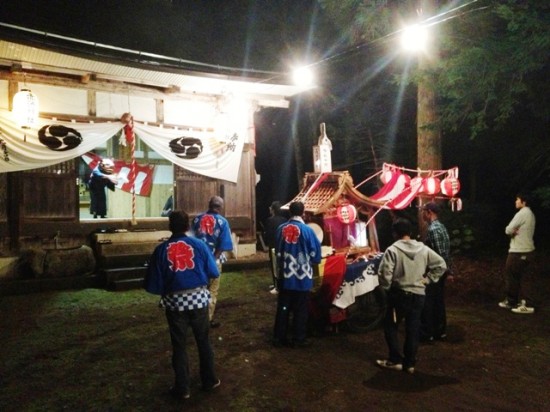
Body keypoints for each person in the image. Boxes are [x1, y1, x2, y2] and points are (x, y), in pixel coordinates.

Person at [144, 210, 221, 400]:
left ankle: (183, 387)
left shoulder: (161, 250)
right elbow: (213, 272)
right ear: (188, 226)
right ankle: (209, 380)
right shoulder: (200, 246)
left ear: (170, 226)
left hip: (175, 303)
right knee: (203, 341)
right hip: (199, 300)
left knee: (179, 345)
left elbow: (152, 284)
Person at [376, 218, 447, 374]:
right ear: (410, 232)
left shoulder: (392, 250)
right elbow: (441, 264)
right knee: (413, 328)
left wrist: (386, 288)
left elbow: (385, 274)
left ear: (395, 233)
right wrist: (427, 280)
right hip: (419, 295)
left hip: (399, 295)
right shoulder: (423, 249)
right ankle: (410, 364)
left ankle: (395, 359)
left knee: (390, 325)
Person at [272, 201, 322, 348]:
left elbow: (277, 250)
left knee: (283, 307)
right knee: (301, 309)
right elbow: (316, 256)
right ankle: (298, 338)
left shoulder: (280, 229)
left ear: (289, 212)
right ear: (303, 212)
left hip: (285, 276)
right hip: (302, 277)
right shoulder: (308, 231)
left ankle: (279, 338)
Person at [192, 196, 233, 328]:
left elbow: (190, 240)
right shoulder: (222, 222)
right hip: (214, 259)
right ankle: (207, 319)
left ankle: (195, 317)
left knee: (197, 288)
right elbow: (223, 245)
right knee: (212, 290)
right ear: (220, 207)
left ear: (209, 205)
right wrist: (213, 260)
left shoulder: (197, 219)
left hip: (197, 260)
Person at [498, 193, 536, 314]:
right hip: (527, 249)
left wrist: (513, 231)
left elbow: (508, 229)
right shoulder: (530, 213)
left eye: (517, 199)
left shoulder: (523, 213)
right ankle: (515, 301)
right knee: (521, 276)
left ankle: (521, 302)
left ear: (523, 202)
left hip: (519, 250)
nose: (516, 201)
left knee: (513, 275)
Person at [420, 202, 451, 342]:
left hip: (436, 271)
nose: (422, 215)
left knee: (429, 301)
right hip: (442, 270)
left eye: (423, 212)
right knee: (438, 300)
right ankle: (440, 331)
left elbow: (440, 254)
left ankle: (428, 332)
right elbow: (447, 252)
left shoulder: (433, 229)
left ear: (429, 212)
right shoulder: (442, 226)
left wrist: (440, 270)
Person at [263, 201, 287, 294]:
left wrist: (266, 242)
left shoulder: (270, 220)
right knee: (281, 265)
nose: (269, 208)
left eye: (270, 207)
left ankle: (277, 287)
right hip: (283, 245)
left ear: (273, 210)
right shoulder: (285, 219)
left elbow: (268, 234)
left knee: (274, 265)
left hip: (273, 245)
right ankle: (277, 284)